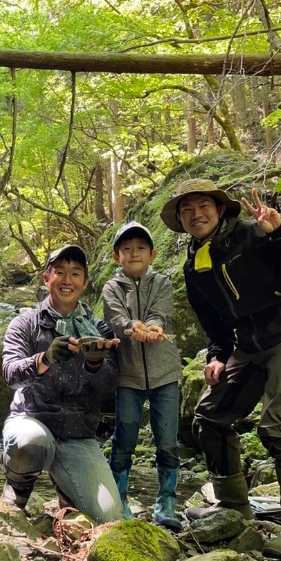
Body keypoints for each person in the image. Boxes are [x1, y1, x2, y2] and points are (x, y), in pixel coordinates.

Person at [160, 178, 281, 559]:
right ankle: (234, 505)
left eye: (203, 206)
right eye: (187, 210)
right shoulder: (195, 265)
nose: (196, 215)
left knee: (278, 424)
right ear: (181, 220)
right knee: (210, 416)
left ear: (220, 210)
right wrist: (217, 356)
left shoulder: (255, 234)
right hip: (249, 346)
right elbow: (214, 323)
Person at [0, 244, 125, 522]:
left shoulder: (100, 330)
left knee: (109, 518)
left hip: (78, 433)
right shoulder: (25, 324)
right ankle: (16, 493)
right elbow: (10, 374)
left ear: (85, 283)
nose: (67, 280)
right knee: (29, 443)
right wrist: (44, 359)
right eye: (60, 272)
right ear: (47, 278)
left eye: (76, 274)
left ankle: (68, 494)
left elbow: (109, 388)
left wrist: (95, 363)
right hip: (31, 420)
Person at [102, 221, 183, 531]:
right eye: (127, 249)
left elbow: (161, 312)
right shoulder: (112, 287)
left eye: (140, 248)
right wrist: (131, 327)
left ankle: (167, 502)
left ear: (153, 254)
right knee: (124, 437)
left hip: (165, 373)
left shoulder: (162, 282)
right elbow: (115, 317)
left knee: (167, 440)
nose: (134, 253)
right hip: (127, 373)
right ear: (116, 256)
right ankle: (120, 499)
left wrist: (153, 326)